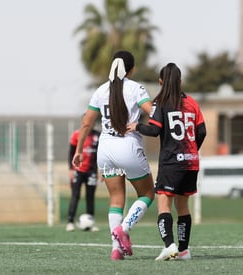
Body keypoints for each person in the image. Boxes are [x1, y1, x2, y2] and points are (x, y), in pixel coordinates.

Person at [72, 50, 155, 261]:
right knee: (147, 194)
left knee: (116, 199)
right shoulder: (136, 88)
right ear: (132, 69)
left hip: (105, 149)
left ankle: (116, 249)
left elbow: (86, 123)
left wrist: (79, 150)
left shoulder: (100, 91)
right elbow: (153, 111)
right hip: (128, 145)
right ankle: (124, 228)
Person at [128, 63, 207, 260]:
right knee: (183, 207)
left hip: (171, 162)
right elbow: (202, 131)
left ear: (161, 82)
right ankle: (184, 250)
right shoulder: (192, 103)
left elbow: (154, 130)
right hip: (191, 163)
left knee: (164, 204)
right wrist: (191, 150)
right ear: (180, 81)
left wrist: (137, 126)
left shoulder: (160, 102)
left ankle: (169, 245)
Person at [66, 121, 100, 232]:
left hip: (92, 171)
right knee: (75, 195)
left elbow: (100, 154)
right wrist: (70, 169)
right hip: (78, 170)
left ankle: (91, 222)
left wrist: (100, 170)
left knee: (90, 197)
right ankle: (70, 222)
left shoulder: (98, 135)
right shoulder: (77, 134)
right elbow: (71, 152)